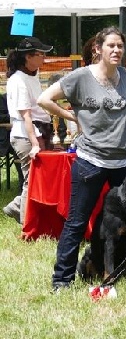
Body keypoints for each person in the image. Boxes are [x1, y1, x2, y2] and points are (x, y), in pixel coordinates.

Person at [38, 26, 126, 292]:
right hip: (90, 162)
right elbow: (44, 99)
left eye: (120, 45)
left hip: (125, 162)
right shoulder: (80, 78)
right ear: (98, 49)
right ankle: (62, 280)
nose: (116, 50)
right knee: (76, 221)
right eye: (111, 46)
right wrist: (73, 117)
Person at [2, 37, 54, 225]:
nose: (44, 59)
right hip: (26, 135)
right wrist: (34, 144)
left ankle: (16, 207)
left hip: (38, 131)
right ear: (28, 57)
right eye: (41, 55)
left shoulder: (32, 75)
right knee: (30, 180)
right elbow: (26, 116)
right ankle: (27, 225)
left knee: (38, 177)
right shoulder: (18, 80)